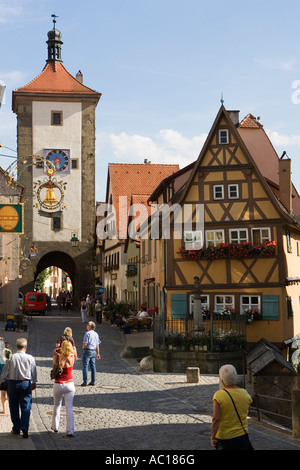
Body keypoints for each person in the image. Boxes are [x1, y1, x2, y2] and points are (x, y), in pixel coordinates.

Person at [211, 364, 253, 450]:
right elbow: (246, 411)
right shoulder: (245, 394)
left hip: (224, 438)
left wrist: (213, 437)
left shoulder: (219, 395)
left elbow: (216, 418)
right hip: (242, 436)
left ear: (222, 381)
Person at [5, 338, 37, 438]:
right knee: (26, 406)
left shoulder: (11, 357)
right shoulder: (30, 358)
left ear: (17, 346)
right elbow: (34, 371)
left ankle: (16, 428)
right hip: (25, 384)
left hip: (13, 384)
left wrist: (2, 380)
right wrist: (34, 382)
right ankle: (25, 426)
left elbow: (5, 371)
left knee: (13, 406)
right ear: (25, 347)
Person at [51, 340, 76, 437]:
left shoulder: (56, 358)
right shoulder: (72, 357)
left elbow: (54, 366)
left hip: (58, 383)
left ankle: (55, 426)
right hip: (69, 383)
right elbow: (71, 355)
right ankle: (70, 430)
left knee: (57, 405)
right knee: (69, 407)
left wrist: (57, 353)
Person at [81, 322, 101, 386]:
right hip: (94, 351)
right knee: (93, 367)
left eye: (87, 325)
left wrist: (83, 347)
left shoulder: (87, 334)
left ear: (89, 326)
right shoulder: (96, 334)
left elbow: (85, 343)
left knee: (85, 366)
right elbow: (97, 345)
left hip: (88, 350)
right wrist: (98, 353)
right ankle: (93, 381)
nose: (86, 326)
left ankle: (85, 381)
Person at [0, 342, 13, 414]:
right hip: (10, 377)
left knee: (2, 393)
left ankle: (4, 409)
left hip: (2, 378)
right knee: (9, 394)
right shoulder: (12, 358)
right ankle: (10, 408)